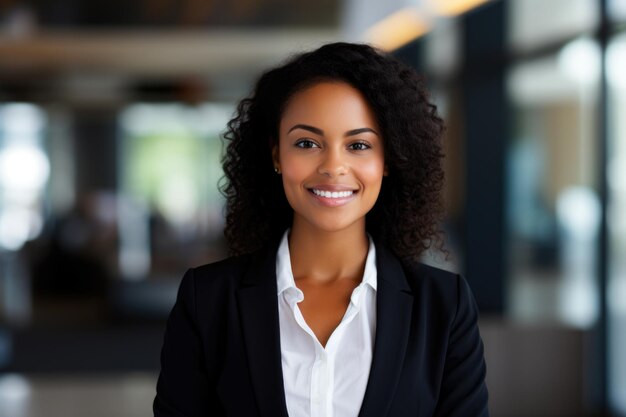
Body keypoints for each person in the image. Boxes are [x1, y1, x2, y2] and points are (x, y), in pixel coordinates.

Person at [153, 42, 489, 417]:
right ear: (277, 154)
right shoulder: (209, 300)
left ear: (389, 159)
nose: (333, 166)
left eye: (359, 145)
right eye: (307, 143)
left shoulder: (444, 306)